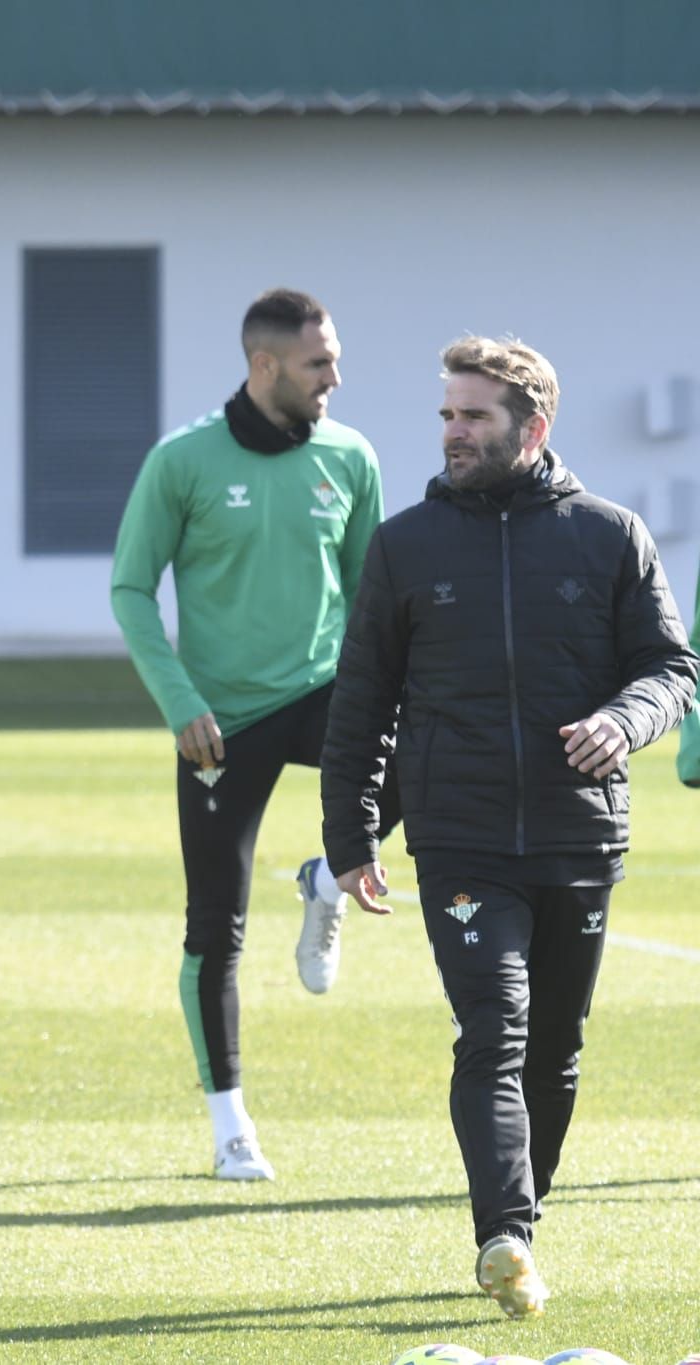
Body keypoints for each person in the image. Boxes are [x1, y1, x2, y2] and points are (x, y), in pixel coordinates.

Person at [321, 336, 694, 1318]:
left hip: (577, 837)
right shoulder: (403, 543)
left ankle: (515, 1224)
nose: (450, 431)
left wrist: (622, 721)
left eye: (470, 416)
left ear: (530, 427)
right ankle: (504, 1238)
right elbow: (361, 699)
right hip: (458, 835)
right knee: (494, 1027)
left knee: (555, 1050)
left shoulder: (609, 536)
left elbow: (670, 669)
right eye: (445, 413)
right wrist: (348, 838)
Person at [110, 287, 395, 1182]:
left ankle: (326, 873)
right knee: (215, 926)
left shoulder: (350, 458)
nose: (336, 379)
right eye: (319, 364)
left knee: (430, 756)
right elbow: (129, 589)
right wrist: (178, 699)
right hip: (218, 723)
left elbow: (373, 603)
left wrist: (387, 698)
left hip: (325, 693)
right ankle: (232, 1124)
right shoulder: (183, 460)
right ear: (265, 365)